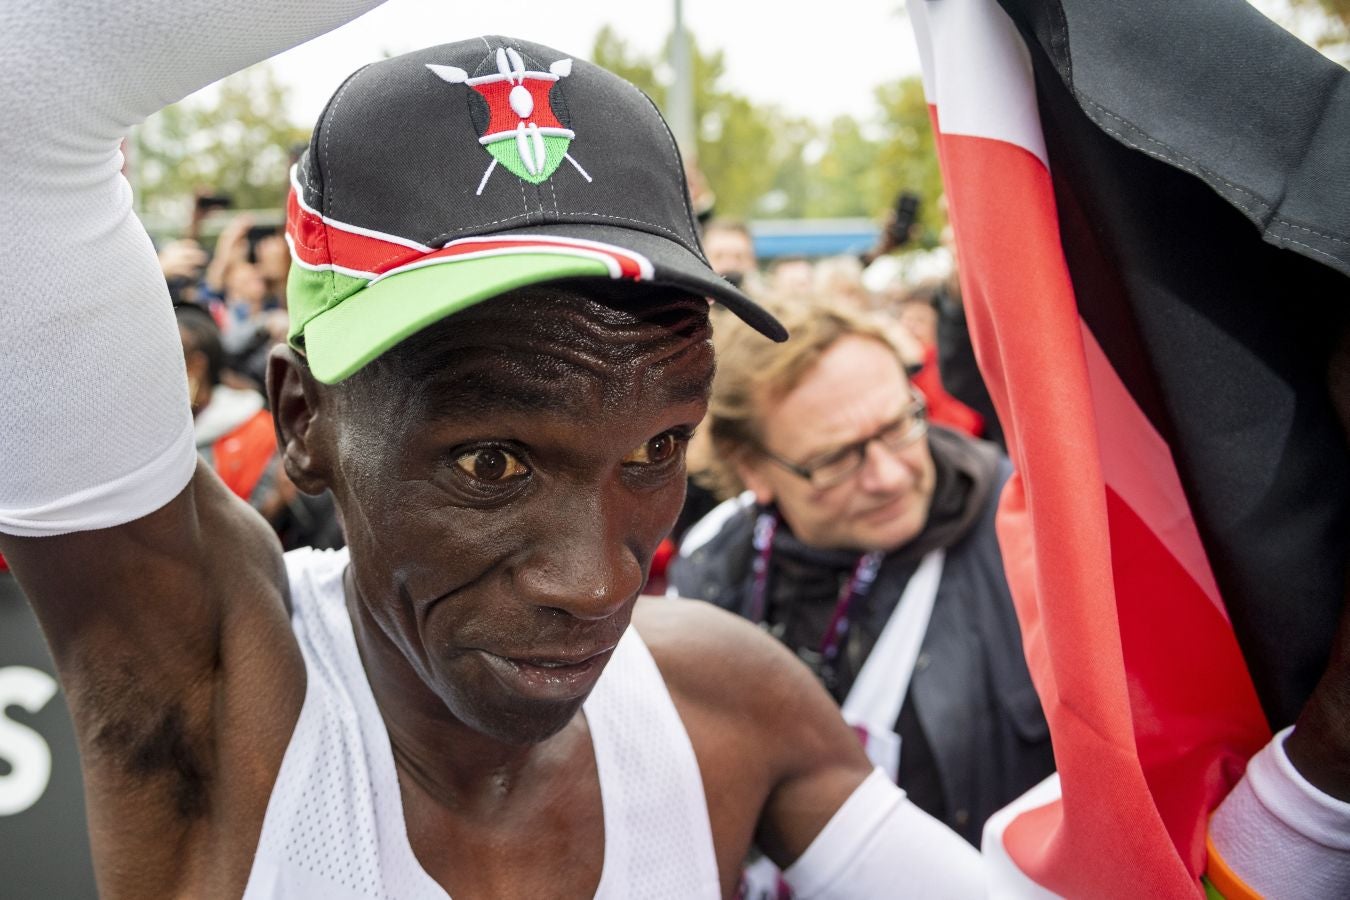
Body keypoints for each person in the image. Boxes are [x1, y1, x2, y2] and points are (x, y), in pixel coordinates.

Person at [0, 5, 986, 898]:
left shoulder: (726, 703)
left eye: (655, 446)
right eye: (490, 464)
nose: (595, 581)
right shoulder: (213, 692)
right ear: (304, 419)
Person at [670, 303, 1054, 846]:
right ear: (752, 468)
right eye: (836, 459)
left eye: (899, 425)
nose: (889, 476)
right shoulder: (712, 565)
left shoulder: (1034, 532)